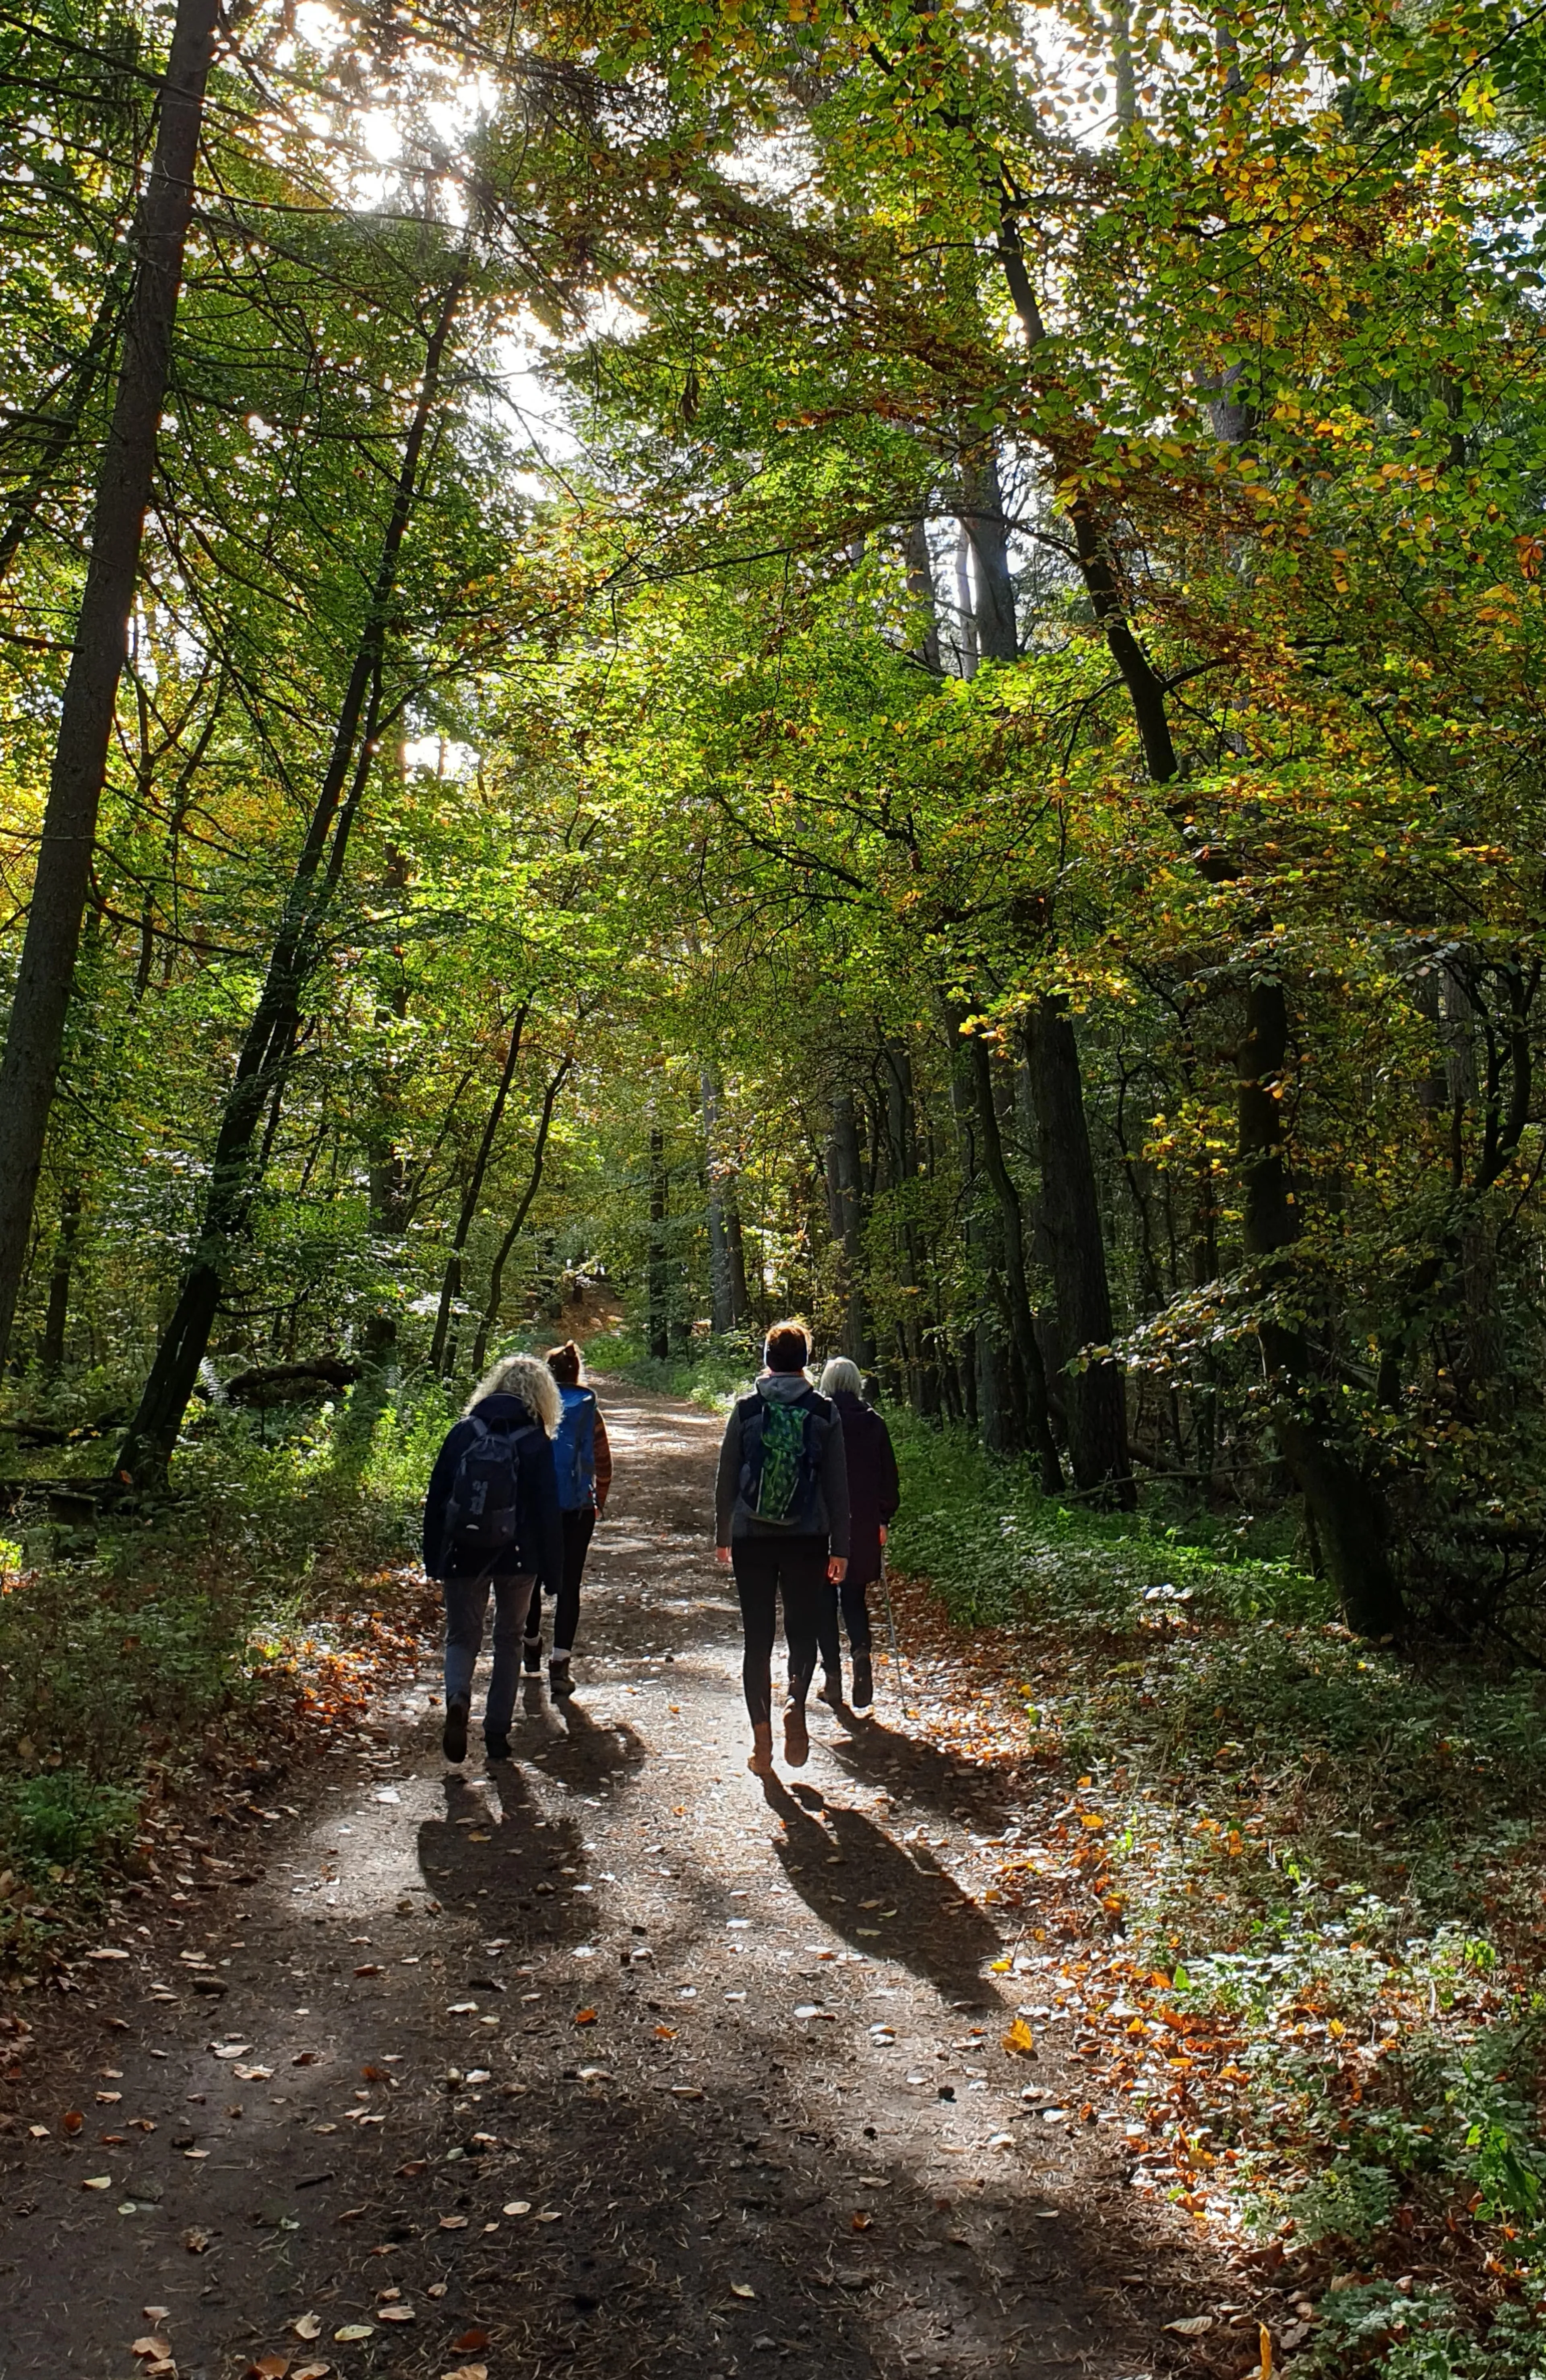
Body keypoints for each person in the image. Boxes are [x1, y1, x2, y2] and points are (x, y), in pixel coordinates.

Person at [714, 1318, 850, 1777]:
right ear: (806, 1362)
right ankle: (795, 1700)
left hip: (752, 1537)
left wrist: (723, 1534)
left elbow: (727, 1476)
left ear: (768, 1359)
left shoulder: (747, 1410)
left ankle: (762, 1739)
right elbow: (838, 1487)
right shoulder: (824, 1411)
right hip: (808, 1538)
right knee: (803, 1630)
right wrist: (841, 1548)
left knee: (757, 1639)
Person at [422, 1353, 563, 1764]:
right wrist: (554, 1572)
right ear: (541, 1395)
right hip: (519, 1556)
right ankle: (497, 1732)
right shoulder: (536, 1440)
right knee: (509, 1637)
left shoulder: (464, 1432)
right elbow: (547, 1510)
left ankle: (458, 1698)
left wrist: (435, 1556)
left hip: (463, 1550)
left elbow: (438, 1498)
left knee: (461, 1635)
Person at [523, 1340, 613, 1696]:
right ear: (578, 1372)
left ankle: (531, 1644)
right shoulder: (589, 1409)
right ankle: (560, 1666)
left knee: (529, 1575)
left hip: (536, 1508)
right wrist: (598, 1500)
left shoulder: (534, 1408)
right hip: (577, 1510)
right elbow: (603, 1462)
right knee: (570, 1584)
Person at [814, 1357, 900, 1711]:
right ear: (856, 1384)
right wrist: (884, 1517)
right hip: (862, 1524)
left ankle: (832, 1677)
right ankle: (861, 1652)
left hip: (823, 1525)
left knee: (823, 1601)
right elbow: (888, 1478)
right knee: (854, 1597)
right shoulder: (874, 1423)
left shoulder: (818, 1419)